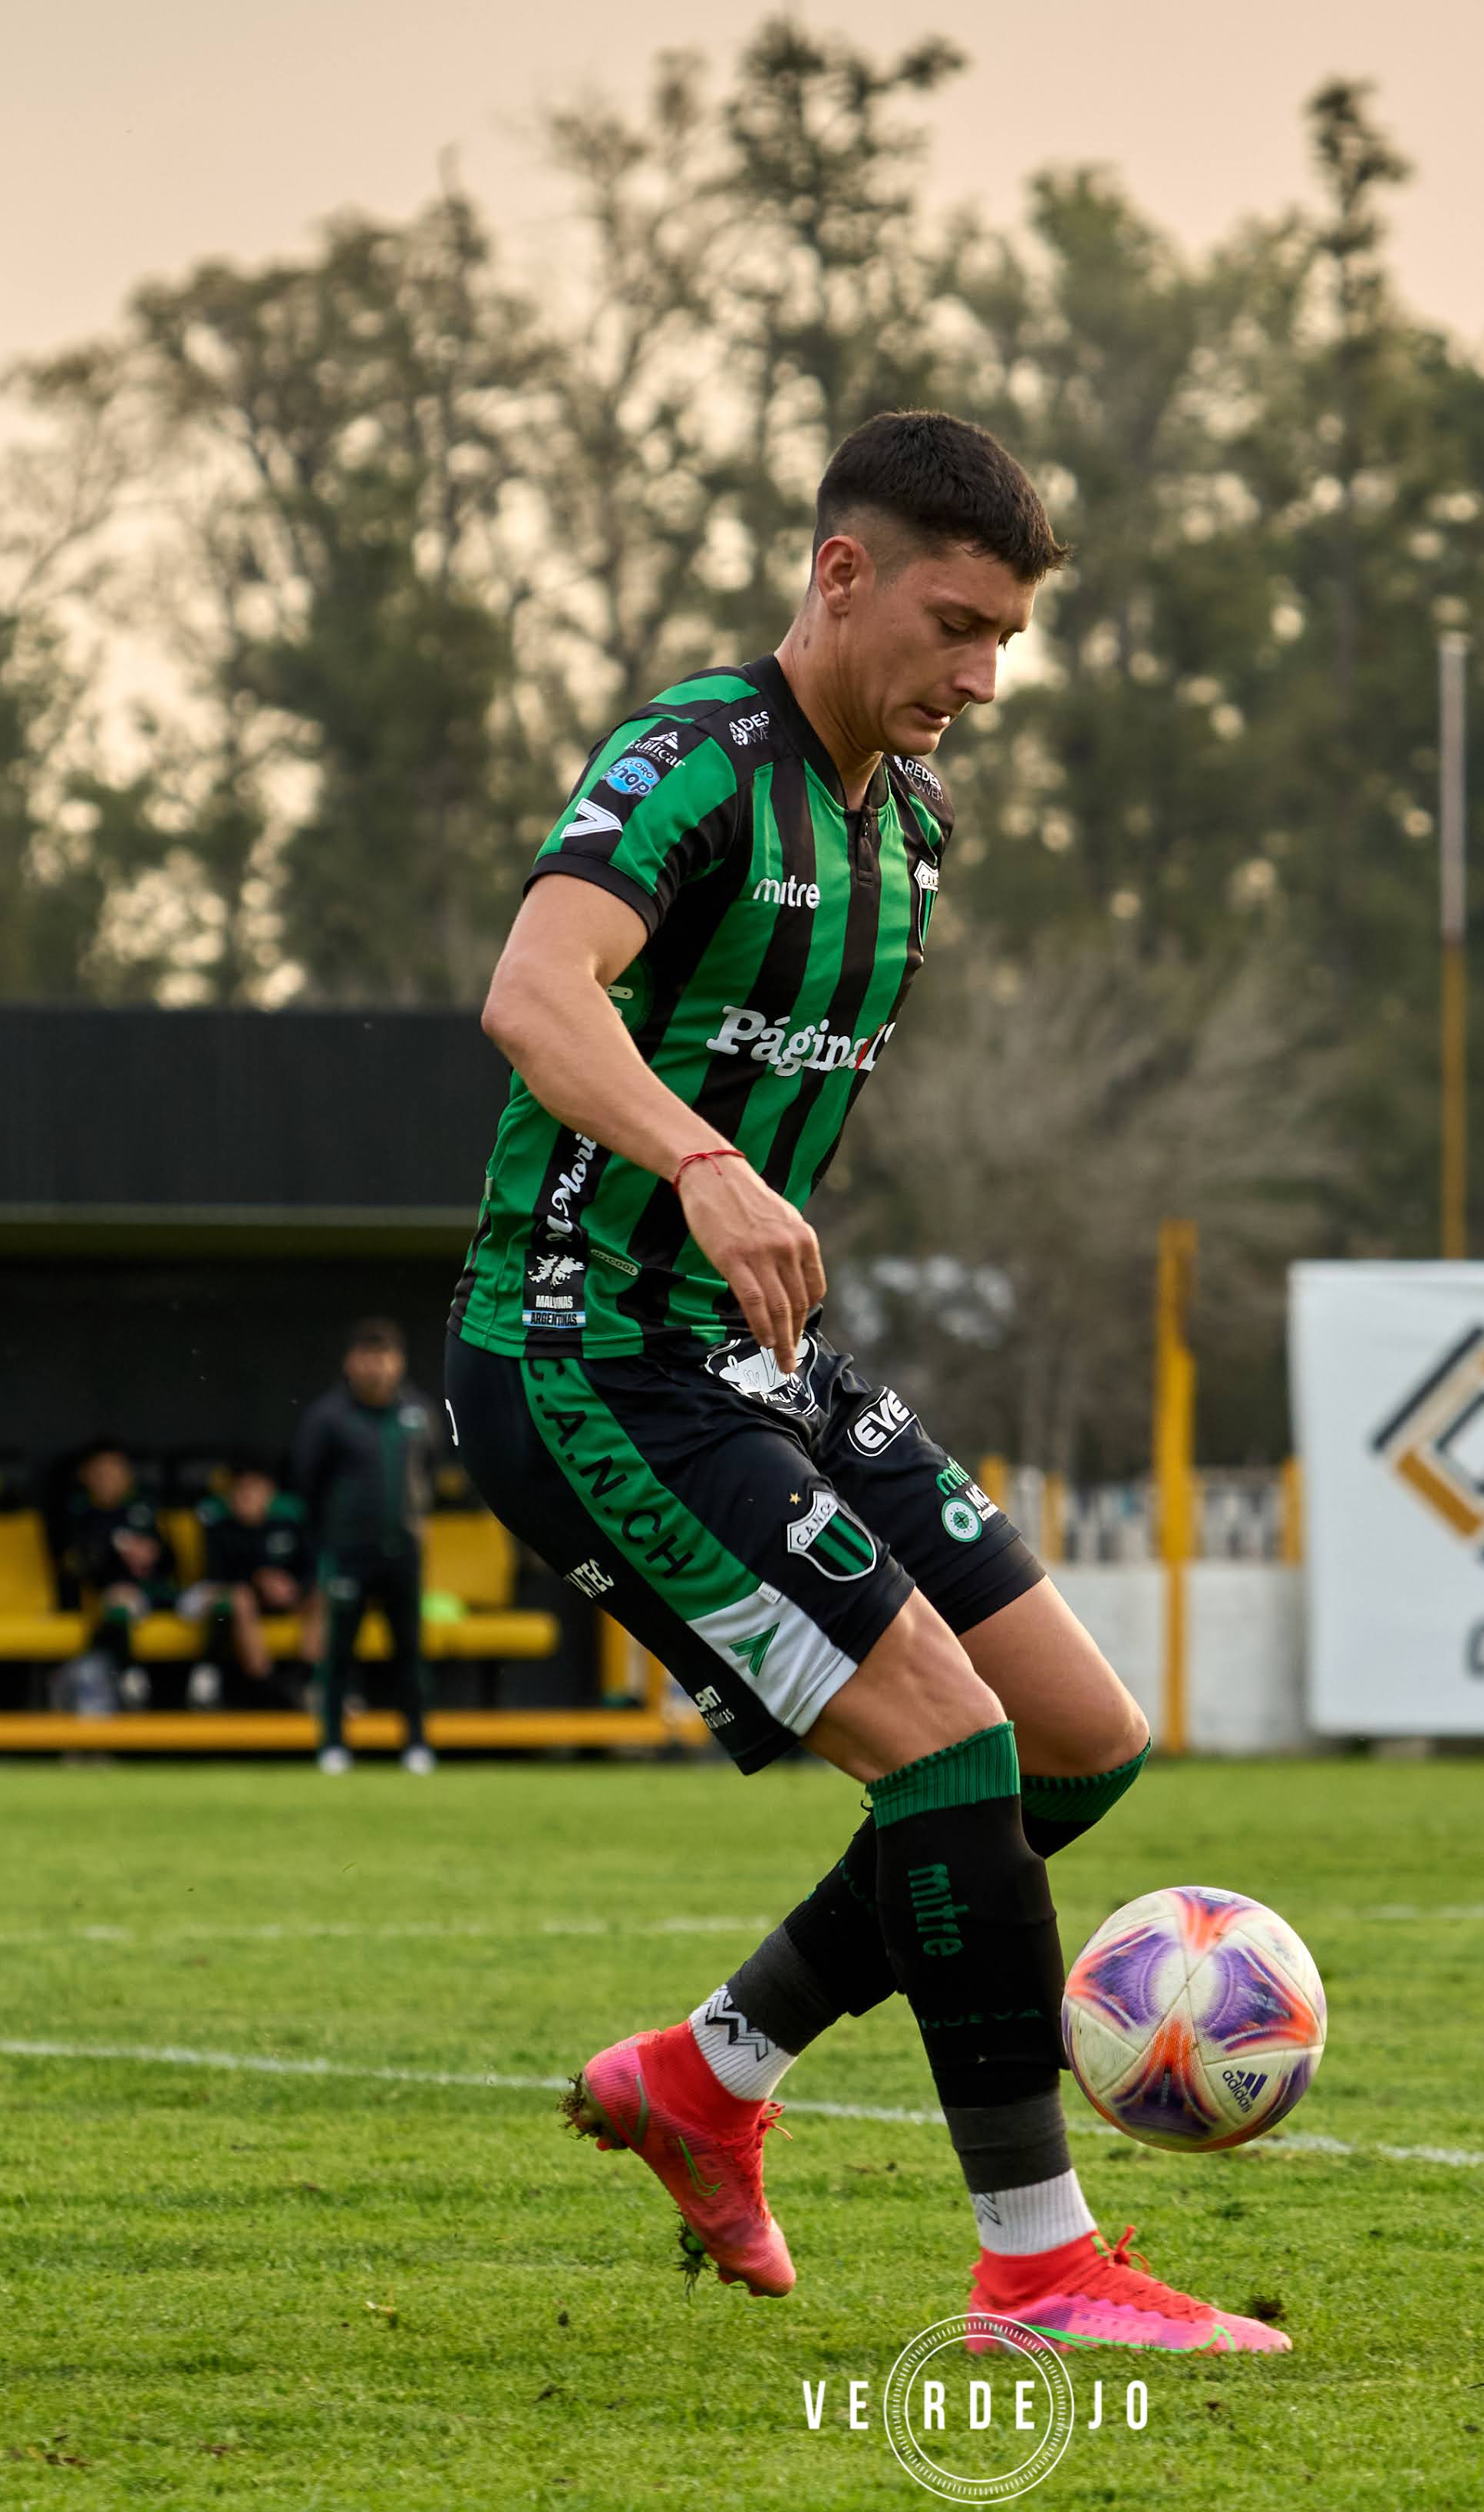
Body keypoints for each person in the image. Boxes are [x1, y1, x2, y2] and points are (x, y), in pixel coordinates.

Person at [445, 413, 1277, 2353]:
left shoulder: (906, 820)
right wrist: (702, 1162)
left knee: (1078, 1736)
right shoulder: (689, 764)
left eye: (1008, 642)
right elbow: (533, 990)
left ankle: (710, 2072)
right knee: (949, 1738)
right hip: (583, 1356)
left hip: (761, 1366)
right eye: (957, 623)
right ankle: (1037, 2267)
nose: (980, 678)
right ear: (842, 573)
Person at [292, 1321, 439, 1775]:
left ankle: (415, 1743)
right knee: (339, 1654)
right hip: (348, 1552)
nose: (377, 1368)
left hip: (404, 1552)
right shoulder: (328, 1416)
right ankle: (333, 1744)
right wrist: (325, 1544)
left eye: (385, 1357)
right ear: (350, 1362)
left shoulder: (418, 1412)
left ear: (400, 1362)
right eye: (368, 1357)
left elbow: (432, 1472)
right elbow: (306, 1483)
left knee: (409, 1652)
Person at [182, 1457, 312, 1708]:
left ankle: (306, 1678)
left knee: (322, 1596)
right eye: (241, 1489)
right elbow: (216, 1577)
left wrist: (293, 1586)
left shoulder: (287, 1524)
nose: (247, 1496)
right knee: (241, 1597)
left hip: (287, 1601)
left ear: (269, 1493)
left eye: (255, 1489)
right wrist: (258, 1581)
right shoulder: (220, 1528)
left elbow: (311, 1569)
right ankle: (266, 1684)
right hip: (242, 1604)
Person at [60, 1441, 175, 1709]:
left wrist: (152, 1553)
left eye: (115, 1471)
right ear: (85, 1476)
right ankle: (129, 1675)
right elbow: (74, 1566)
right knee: (121, 1601)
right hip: (102, 1602)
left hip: (156, 1594)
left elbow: (173, 1561)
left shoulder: (144, 1508)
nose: (109, 1479)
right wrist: (114, 1551)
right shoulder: (77, 1512)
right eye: (101, 1473)